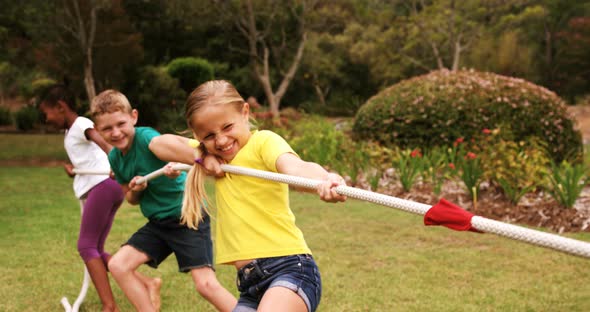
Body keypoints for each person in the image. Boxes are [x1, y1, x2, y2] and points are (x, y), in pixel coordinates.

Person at [180, 80, 347, 312]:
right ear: (198, 136)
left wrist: (324, 179)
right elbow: (159, 144)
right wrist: (201, 155)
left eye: (228, 127)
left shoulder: (263, 142)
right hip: (250, 286)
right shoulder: (213, 157)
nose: (220, 140)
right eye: (208, 136)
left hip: (290, 269)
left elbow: (296, 168)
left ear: (245, 113)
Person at [89, 89, 236, 312]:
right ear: (98, 130)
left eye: (120, 124)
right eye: (107, 129)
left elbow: (167, 146)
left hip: (187, 216)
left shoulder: (146, 137)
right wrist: (137, 189)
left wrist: (189, 160)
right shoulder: (115, 158)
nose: (116, 133)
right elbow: (131, 199)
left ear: (134, 117)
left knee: (205, 285)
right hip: (159, 223)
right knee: (118, 265)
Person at [39, 84, 124, 312]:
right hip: (106, 186)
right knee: (95, 248)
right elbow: (89, 158)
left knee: (86, 246)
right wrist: (74, 169)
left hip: (104, 185)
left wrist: (117, 164)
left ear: (60, 107)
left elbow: (105, 144)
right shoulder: (71, 131)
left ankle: (109, 306)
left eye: (47, 113)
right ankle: (145, 284)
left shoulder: (81, 124)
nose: (46, 119)